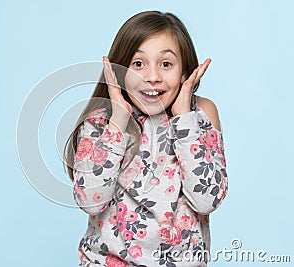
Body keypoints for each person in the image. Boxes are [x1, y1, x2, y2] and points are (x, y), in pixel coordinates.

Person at [64, 10, 228, 267]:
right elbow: (90, 201)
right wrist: (118, 120)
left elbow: (206, 200)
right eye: (138, 64)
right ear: (119, 71)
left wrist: (183, 117)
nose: (152, 76)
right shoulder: (101, 120)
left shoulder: (201, 114)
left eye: (166, 64)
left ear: (185, 71)